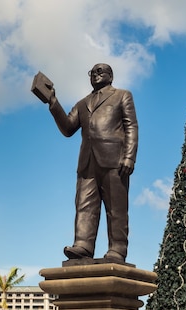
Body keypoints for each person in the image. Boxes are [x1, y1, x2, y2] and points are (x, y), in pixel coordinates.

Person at [45, 63, 138, 263]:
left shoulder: (122, 95)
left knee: (116, 208)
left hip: (115, 160)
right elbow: (68, 128)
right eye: (92, 72)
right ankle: (83, 245)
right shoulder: (82, 103)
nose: (95, 75)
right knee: (84, 205)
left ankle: (117, 249)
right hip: (87, 161)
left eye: (100, 71)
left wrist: (129, 156)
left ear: (110, 76)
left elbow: (131, 126)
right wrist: (53, 103)